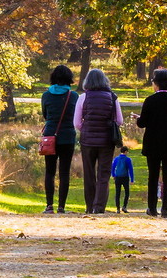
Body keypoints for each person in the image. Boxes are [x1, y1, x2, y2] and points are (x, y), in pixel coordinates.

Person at [135, 68, 167, 218]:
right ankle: (166, 209)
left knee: (153, 176)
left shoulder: (150, 100)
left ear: (155, 84)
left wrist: (137, 119)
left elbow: (142, 123)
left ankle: (152, 207)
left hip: (153, 143)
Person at [74, 68, 124, 214]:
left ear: (87, 81)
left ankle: (89, 206)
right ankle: (99, 207)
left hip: (87, 141)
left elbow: (76, 123)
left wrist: (87, 127)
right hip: (106, 141)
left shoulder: (83, 97)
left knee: (89, 173)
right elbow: (119, 121)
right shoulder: (112, 97)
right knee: (103, 175)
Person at [41, 65, 79, 214]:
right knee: (64, 172)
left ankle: (49, 205)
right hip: (68, 136)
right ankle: (61, 206)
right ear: (69, 79)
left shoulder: (46, 95)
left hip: (50, 135)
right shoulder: (73, 96)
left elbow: (45, 115)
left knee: (49, 171)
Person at [111, 146, 135, 213]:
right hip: (125, 177)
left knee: (117, 193)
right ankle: (124, 207)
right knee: (127, 192)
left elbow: (112, 167)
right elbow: (130, 170)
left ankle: (118, 208)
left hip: (117, 177)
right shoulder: (128, 159)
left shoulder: (116, 159)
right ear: (125, 151)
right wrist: (132, 179)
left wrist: (113, 175)